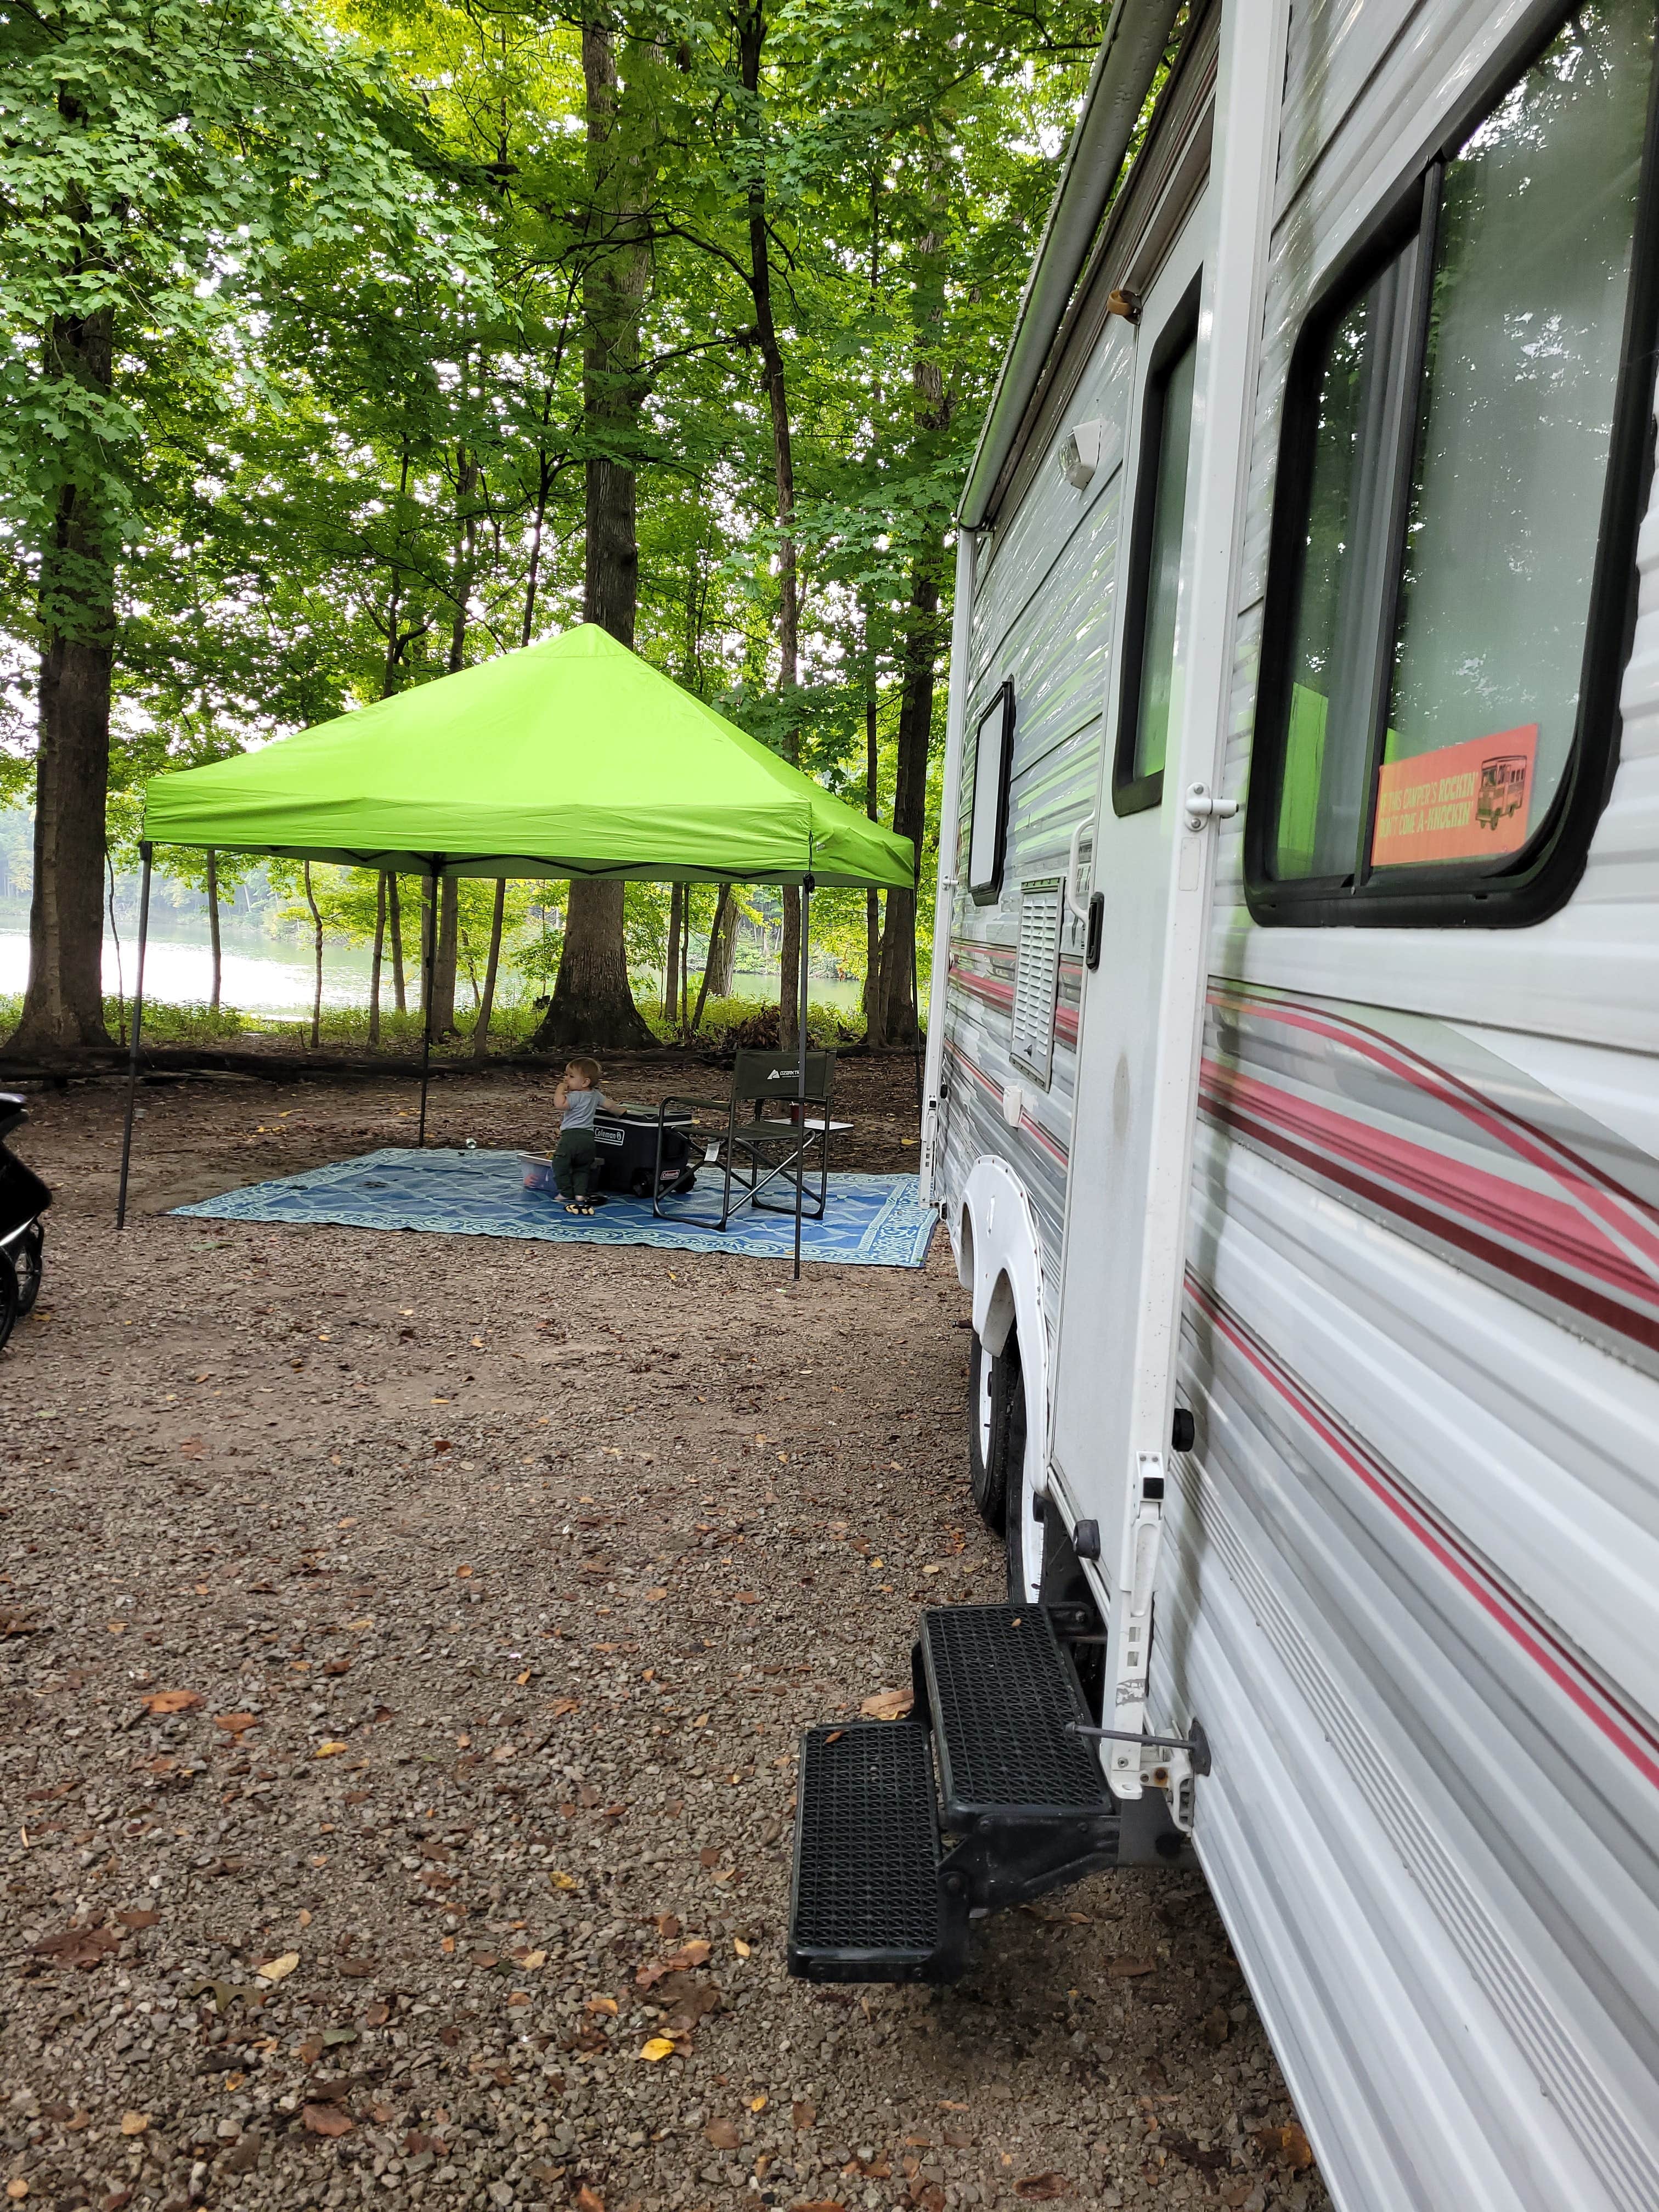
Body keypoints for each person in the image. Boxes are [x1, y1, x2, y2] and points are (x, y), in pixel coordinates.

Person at [551, 1058, 608, 1214]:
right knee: (582, 1168)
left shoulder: (575, 1096)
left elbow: (559, 1105)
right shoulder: (596, 1095)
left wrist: (559, 1090)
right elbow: (610, 1105)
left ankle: (566, 1191)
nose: (566, 1079)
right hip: (589, 1139)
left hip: (571, 1138)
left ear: (585, 1082)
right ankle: (580, 1195)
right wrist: (621, 1113)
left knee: (560, 1164)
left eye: (570, 1076)